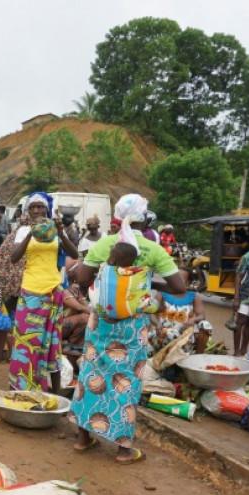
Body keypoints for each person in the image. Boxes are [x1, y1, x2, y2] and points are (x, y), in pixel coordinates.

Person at [71, 194, 185, 464]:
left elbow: (82, 277)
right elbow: (179, 287)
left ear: (117, 217)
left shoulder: (105, 244)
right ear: (144, 218)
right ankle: (123, 448)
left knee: (91, 374)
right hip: (131, 327)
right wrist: (148, 283)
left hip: (101, 323)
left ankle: (83, 437)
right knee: (126, 381)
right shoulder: (154, 249)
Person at [8, 192, 78, 392]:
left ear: (47, 209)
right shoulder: (22, 231)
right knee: (25, 343)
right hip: (30, 292)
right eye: (33, 207)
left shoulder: (56, 231)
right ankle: (20, 387)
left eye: (40, 207)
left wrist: (61, 231)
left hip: (52, 292)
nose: (37, 210)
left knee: (52, 343)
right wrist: (30, 233)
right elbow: (13, 258)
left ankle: (54, 393)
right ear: (28, 211)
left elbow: (74, 254)